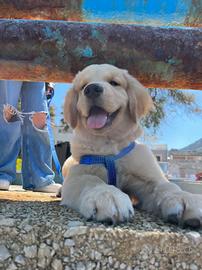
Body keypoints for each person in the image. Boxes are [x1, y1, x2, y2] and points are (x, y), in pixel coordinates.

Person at [0, 80, 61, 193]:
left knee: (39, 117)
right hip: (10, 62)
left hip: (38, 65)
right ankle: (2, 173)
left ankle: (39, 179)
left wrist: (51, 80)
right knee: (6, 113)